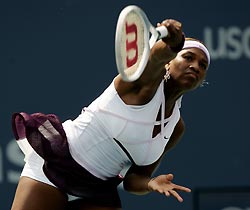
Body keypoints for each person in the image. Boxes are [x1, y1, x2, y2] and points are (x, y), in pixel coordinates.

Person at [10, 17, 210, 210]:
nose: (195, 66)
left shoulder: (176, 127)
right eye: (188, 57)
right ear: (169, 62)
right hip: (57, 167)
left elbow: (134, 179)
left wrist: (151, 184)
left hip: (97, 191)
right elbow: (157, 55)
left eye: (203, 65)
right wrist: (173, 43)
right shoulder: (141, 84)